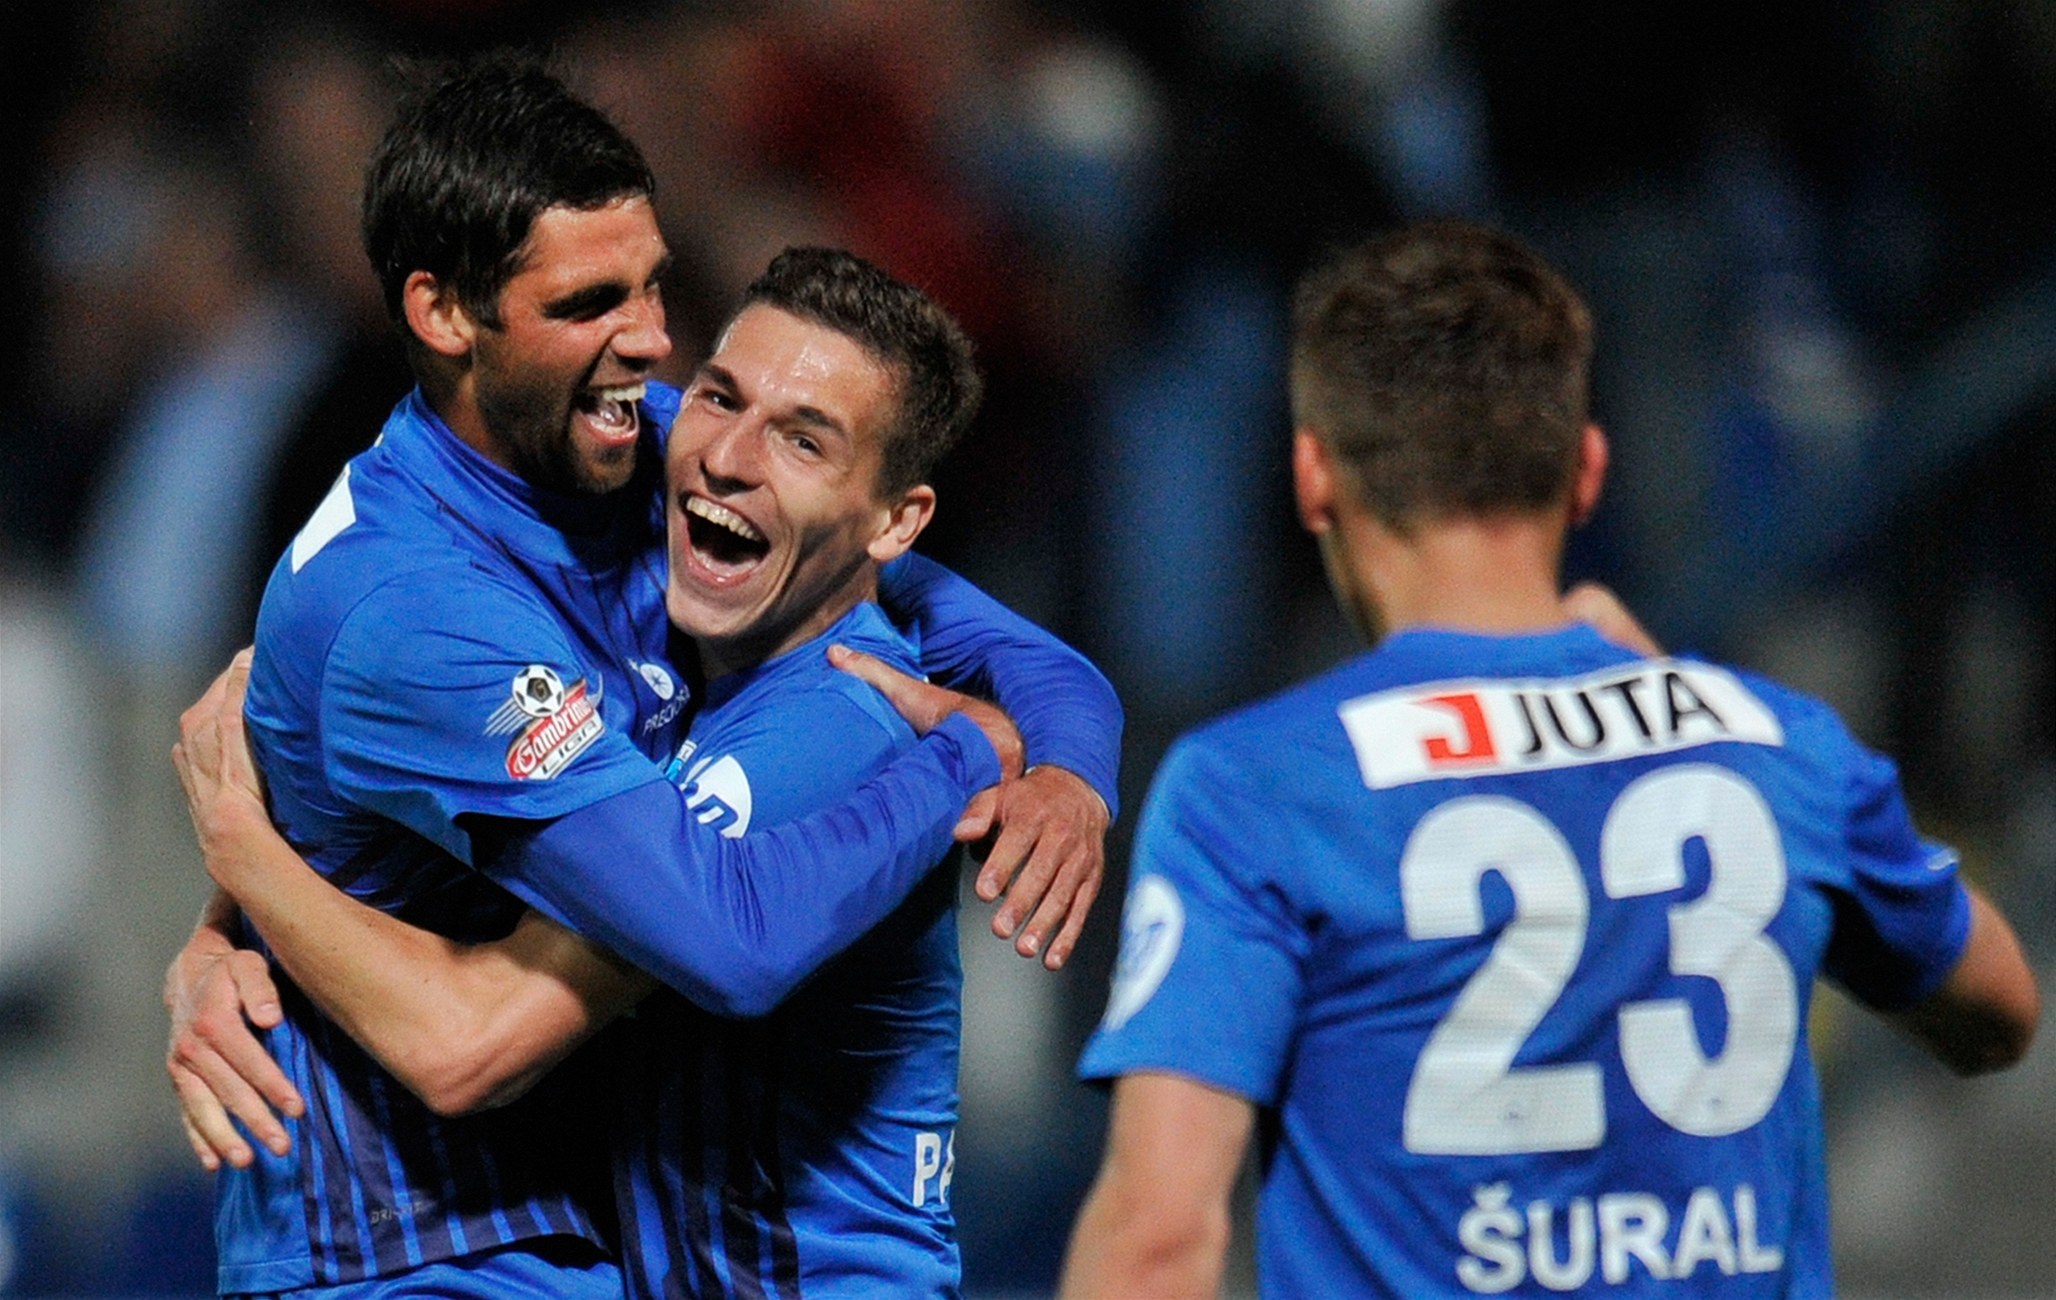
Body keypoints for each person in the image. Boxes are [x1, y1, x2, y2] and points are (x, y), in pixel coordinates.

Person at [163, 56, 1120, 1297]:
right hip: (401, 1250)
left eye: (655, 285)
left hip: (573, 1228)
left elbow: (1027, 657)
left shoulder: (676, 467)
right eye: (589, 303)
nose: (654, 344)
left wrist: (1069, 777)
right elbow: (531, 1015)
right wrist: (969, 756)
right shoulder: (414, 607)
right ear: (443, 315)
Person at [1056, 220, 2039, 1298]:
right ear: (1587, 472)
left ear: (1312, 477)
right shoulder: (1779, 745)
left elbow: (1158, 1241)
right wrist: (1671, 698)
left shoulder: (1257, 789)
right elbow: (2000, 1007)